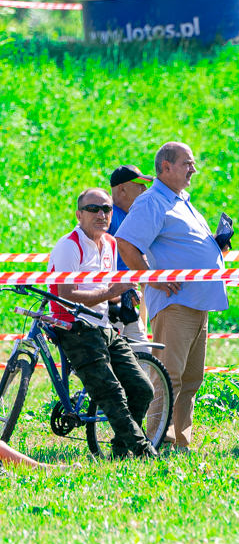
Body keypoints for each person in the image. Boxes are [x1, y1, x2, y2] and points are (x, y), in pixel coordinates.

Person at [116, 141, 229, 452]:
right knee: (169, 377)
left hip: (197, 302)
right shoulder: (152, 201)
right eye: (186, 163)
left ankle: (181, 441)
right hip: (175, 304)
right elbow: (126, 243)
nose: (193, 169)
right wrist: (154, 280)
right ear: (165, 168)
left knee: (191, 379)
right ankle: (156, 440)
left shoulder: (180, 200)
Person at [49, 188, 156, 459]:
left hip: (104, 325)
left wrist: (122, 298)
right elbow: (66, 296)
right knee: (112, 393)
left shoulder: (109, 243)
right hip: (74, 327)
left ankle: (120, 450)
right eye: (94, 209)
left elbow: (107, 289)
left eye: (107, 209)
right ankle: (144, 452)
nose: (102, 214)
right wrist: (111, 292)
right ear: (79, 214)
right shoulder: (68, 246)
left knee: (143, 388)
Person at [108, 164, 153, 345]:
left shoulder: (131, 216)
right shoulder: (106, 215)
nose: (145, 189)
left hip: (130, 297)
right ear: (122, 189)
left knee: (142, 356)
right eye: (139, 185)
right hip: (112, 303)